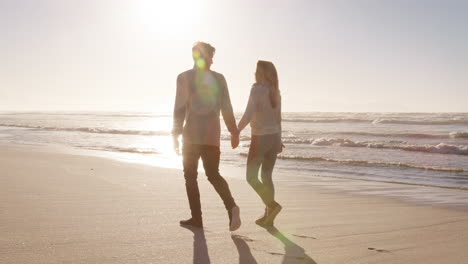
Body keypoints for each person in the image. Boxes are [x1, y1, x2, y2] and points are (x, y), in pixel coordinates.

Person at [172, 42, 241, 231]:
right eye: (211, 56)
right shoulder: (219, 79)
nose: (212, 60)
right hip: (212, 136)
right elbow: (227, 107)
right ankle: (232, 207)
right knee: (213, 174)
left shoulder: (184, 77)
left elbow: (179, 108)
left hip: (191, 136)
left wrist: (175, 134)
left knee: (191, 177)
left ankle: (197, 219)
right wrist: (233, 131)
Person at [237, 60, 283, 226]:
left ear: (261, 72)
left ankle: (272, 206)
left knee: (251, 177)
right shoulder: (275, 92)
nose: (254, 73)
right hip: (273, 138)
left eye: (256, 70)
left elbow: (248, 114)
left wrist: (236, 131)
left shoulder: (257, 90)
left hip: (260, 139)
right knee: (266, 176)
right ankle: (268, 217)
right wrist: (279, 141)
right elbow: (278, 120)